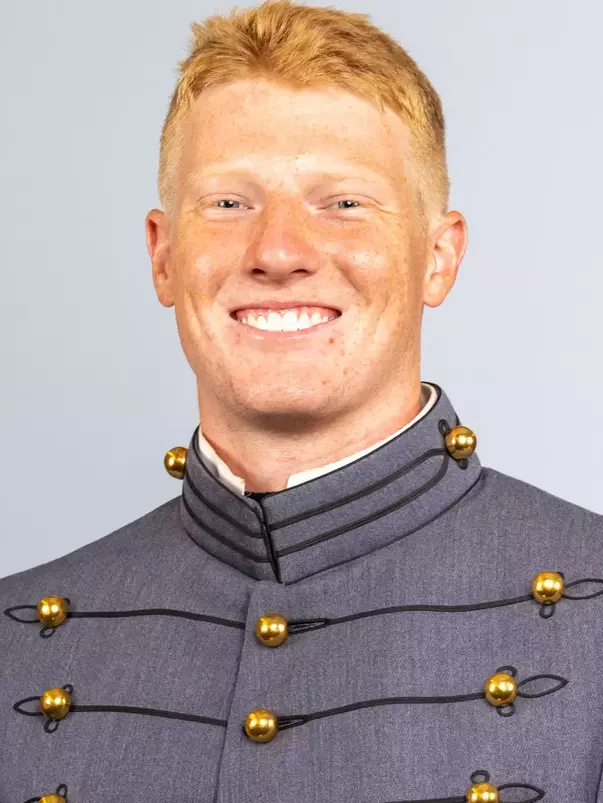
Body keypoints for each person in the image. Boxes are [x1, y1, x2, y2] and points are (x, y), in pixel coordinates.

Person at [1, 0, 601, 801]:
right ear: (163, 255)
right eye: (227, 202)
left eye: (343, 201)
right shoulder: (15, 636)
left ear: (438, 256)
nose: (277, 251)